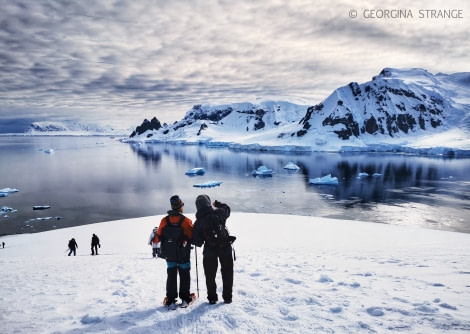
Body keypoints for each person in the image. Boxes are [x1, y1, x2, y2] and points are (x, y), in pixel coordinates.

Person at [193, 195, 233, 304]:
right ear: (208, 203)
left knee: (210, 274)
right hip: (225, 247)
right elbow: (228, 209)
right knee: (227, 272)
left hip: (209, 250)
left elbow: (197, 242)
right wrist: (218, 204)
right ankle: (227, 297)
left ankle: (212, 298)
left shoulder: (198, 222)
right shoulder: (219, 212)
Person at [156, 195, 194, 310]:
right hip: (183, 254)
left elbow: (159, 235)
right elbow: (191, 236)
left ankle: (171, 301)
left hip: (170, 254)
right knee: (184, 275)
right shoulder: (186, 221)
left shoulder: (164, 220)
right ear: (180, 207)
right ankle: (185, 299)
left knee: (171, 275)